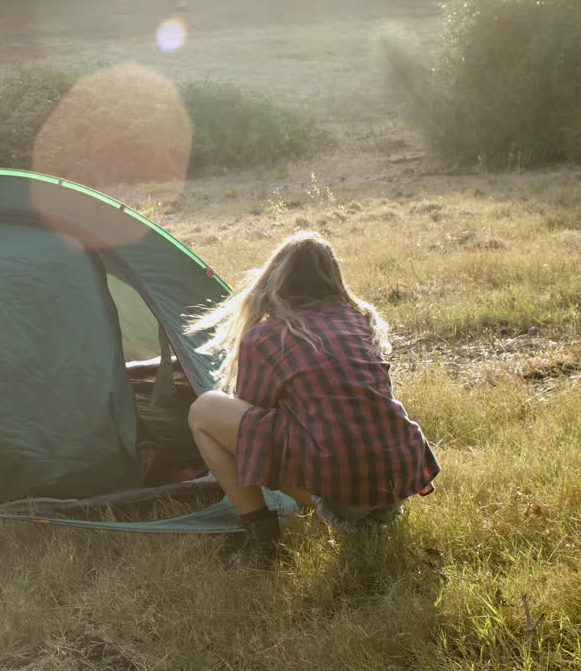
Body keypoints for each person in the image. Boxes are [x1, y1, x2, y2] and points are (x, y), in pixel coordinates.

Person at [186, 231, 440, 565]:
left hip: (341, 491)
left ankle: (263, 542)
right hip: (396, 485)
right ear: (334, 277)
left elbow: (255, 417)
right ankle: (368, 521)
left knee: (203, 410)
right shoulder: (360, 319)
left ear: (276, 278)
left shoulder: (267, 335)